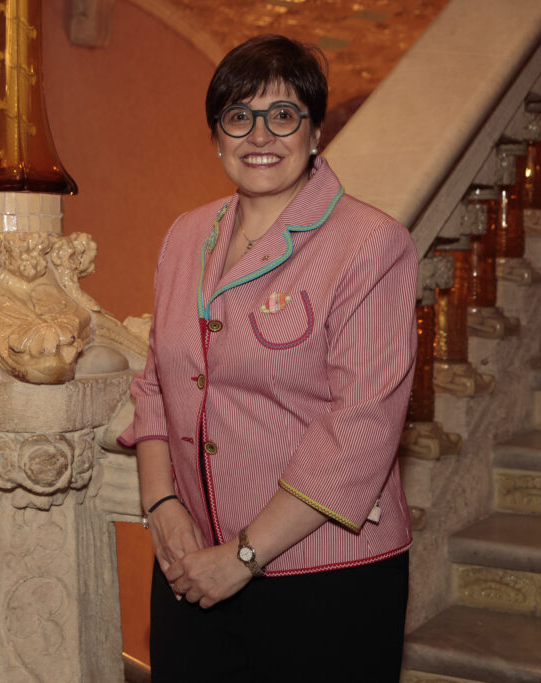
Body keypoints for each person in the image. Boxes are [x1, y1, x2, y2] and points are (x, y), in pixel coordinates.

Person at [118, 34, 417, 682]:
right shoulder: (185, 236)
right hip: (191, 568)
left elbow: (360, 428)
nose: (261, 134)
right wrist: (161, 505)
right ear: (216, 134)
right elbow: (155, 385)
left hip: (325, 579)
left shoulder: (370, 244)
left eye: (283, 115)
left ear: (315, 131)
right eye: (239, 115)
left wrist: (244, 555)